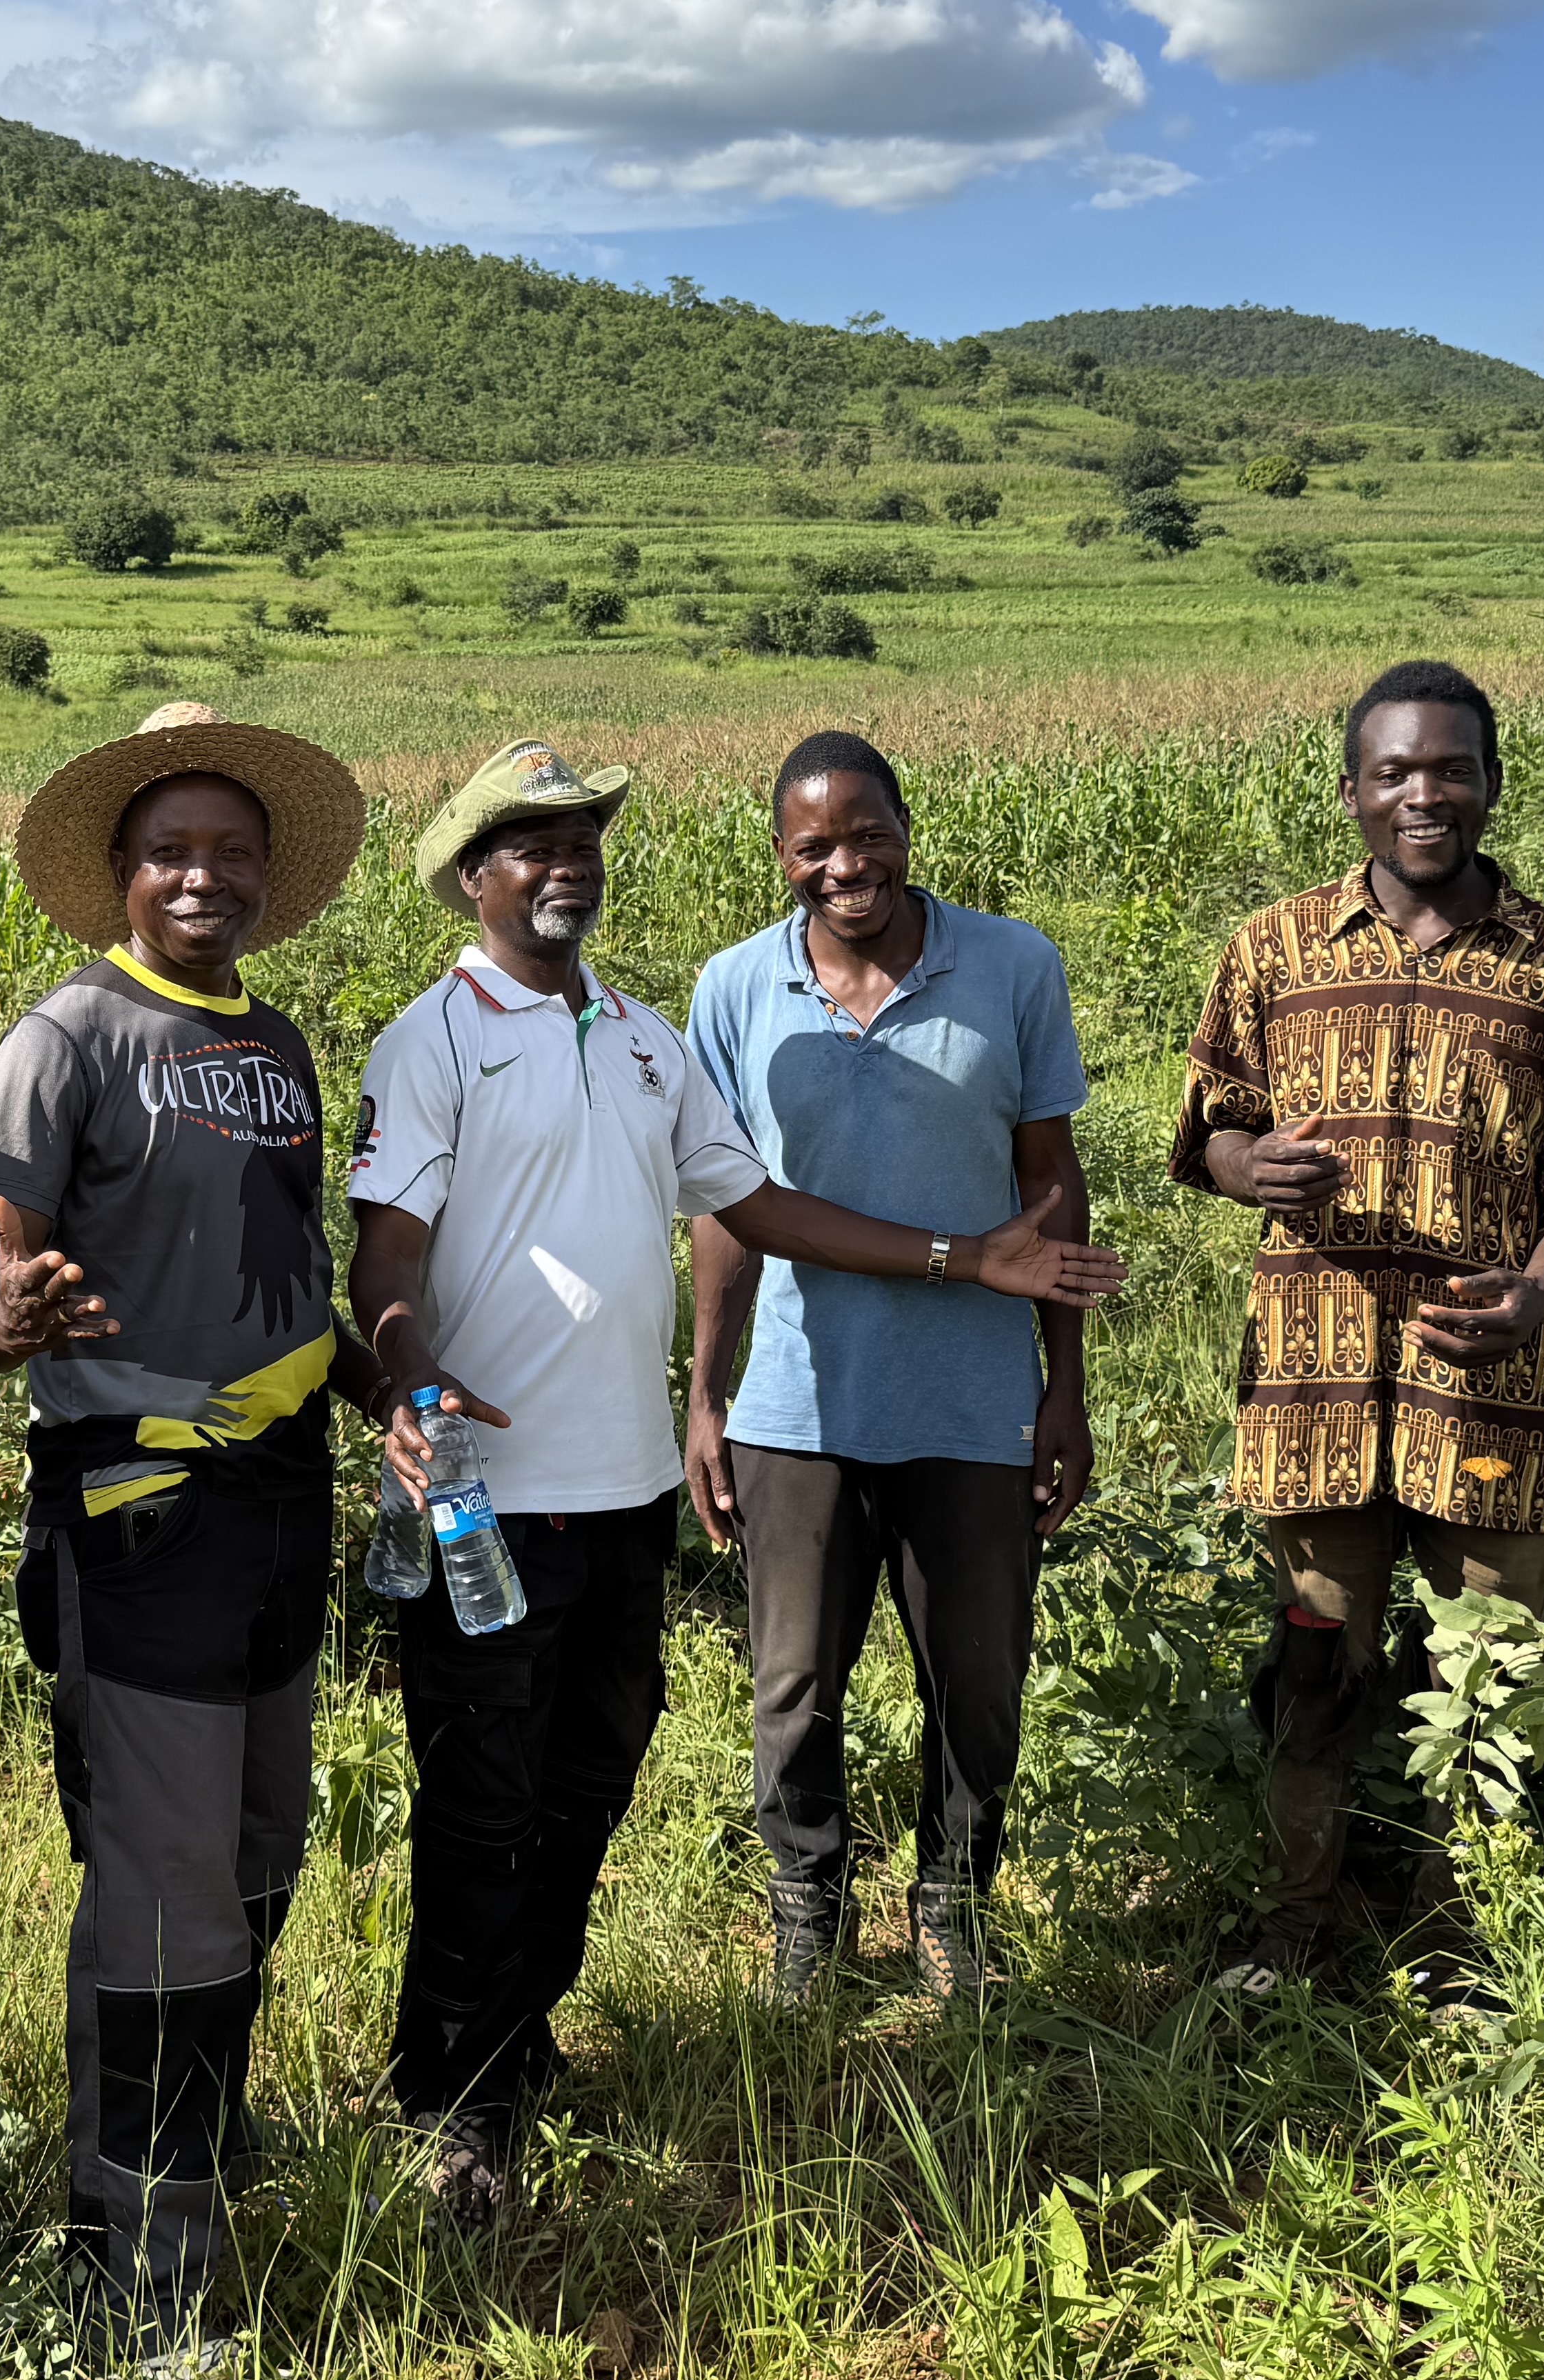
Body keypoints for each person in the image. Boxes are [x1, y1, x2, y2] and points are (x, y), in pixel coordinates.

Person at [347, 739, 1127, 2232]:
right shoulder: (430, 1042)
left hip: (624, 1492)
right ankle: (455, 2098)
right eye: (529, 843)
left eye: (581, 839)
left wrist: (968, 1260)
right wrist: (406, 1373)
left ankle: (520, 2039)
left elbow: (762, 1206)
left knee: (590, 1782)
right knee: (484, 1799)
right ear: (471, 875)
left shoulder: (647, 1039)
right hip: (485, 1496)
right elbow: (385, 1251)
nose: (563, 864)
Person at [0, 701, 394, 2350]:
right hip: (144, 1512)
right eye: (172, 852)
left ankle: (205, 2142)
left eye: (233, 852)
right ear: (121, 873)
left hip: (281, 1501)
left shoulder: (277, 1046)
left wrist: (389, 1397)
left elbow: (285, 1282)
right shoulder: (65, 1039)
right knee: (164, 1894)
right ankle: (139, 2275)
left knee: (261, 1853)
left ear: (270, 873)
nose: (205, 877)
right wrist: (10, 1320)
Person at [1171, 660, 1544, 2000]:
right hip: (1315, 1388)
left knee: (1488, 1679)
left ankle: (1458, 1947)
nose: (1424, 794)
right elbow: (1211, 1128)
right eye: (1395, 771)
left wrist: (1539, 1288)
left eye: (1452, 768)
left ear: (1493, 784)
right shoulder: (1274, 949)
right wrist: (1251, 1168)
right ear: (1351, 791)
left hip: (1498, 1385)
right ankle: (1294, 1926)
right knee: (1314, 1669)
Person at [684, 731, 1098, 2011]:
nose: (845, 865)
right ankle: (808, 1912)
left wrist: (1064, 1385)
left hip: (972, 1399)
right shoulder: (735, 988)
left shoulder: (1013, 965)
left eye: (868, 835)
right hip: (798, 1401)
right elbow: (724, 1207)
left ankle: (953, 1907)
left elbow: (1050, 1182)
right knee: (794, 1682)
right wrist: (706, 1392)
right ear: (779, 855)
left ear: (907, 829)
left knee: (976, 1676)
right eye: (814, 846)